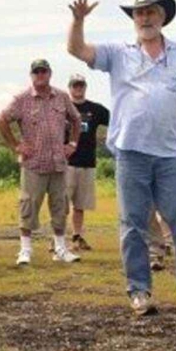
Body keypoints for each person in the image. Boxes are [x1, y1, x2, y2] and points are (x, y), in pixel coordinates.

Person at [67, 0, 176, 315]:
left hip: (173, 154)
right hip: (131, 153)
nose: (145, 18)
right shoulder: (118, 53)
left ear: (162, 17)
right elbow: (77, 49)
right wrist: (78, 21)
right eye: (139, 13)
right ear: (134, 19)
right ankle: (139, 291)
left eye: (151, 12)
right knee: (133, 223)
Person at [0, 59, 83, 266]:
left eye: (43, 71)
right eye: (36, 72)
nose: (40, 75)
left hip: (58, 163)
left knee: (60, 206)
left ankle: (60, 249)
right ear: (31, 75)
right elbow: (2, 119)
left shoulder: (62, 96)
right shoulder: (22, 99)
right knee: (28, 206)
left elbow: (76, 119)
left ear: (50, 73)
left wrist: (72, 143)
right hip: (33, 164)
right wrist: (16, 145)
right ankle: (25, 250)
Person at [64, 74, 109, 252]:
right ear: (69, 88)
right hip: (66, 163)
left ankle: (77, 236)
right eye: (75, 85)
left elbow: (117, 120)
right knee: (61, 204)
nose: (78, 88)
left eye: (81, 85)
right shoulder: (62, 108)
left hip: (87, 162)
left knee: (80, 205)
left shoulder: (95, 109)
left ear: (85, 87)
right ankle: (57, 239)